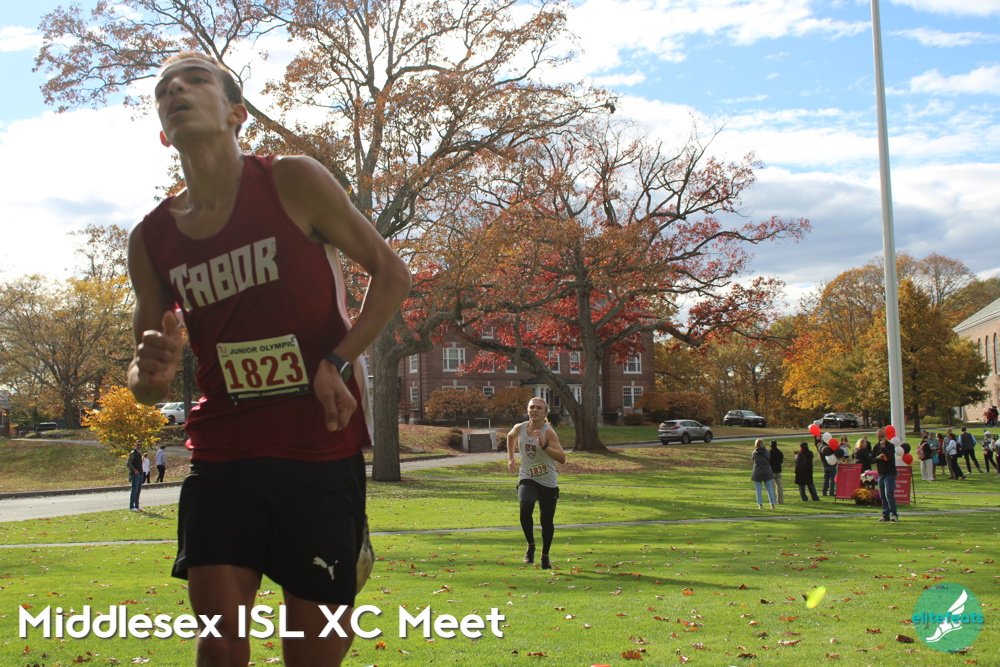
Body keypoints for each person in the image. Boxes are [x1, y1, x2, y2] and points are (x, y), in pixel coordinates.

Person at [127, 51, 411, 667]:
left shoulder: (292, 181)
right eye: (164, 89)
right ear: (162, 133)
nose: (176, 90)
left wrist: (337, 360)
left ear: (237, 114)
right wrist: (150, 370)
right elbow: (144, 384)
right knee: (219, 643)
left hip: (318, 447)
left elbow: (392, 274)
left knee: (311, 652)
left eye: (195, 80)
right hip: (221, 454)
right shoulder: (150, 238)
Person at [507, 397, 567, 570]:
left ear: (545, 413)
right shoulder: (520, 428)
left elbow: (562, 458)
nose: (535, 410)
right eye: (532, 407)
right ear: (527, 410)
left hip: (547, 481)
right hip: (527, 476)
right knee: (525, 508)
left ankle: (545, 555)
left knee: (546, 521)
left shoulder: (549, 432)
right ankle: (531, 545)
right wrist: (511, 458)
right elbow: (510, 437)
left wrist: (544, 445)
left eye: (539, 408)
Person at [872, 431, 898, 522]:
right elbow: (871, 459)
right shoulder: (876, 447)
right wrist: (877, 458)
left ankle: (894, 514)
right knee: (882, 495)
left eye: (882, 436)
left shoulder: (890, 446)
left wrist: (884, 448)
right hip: (881, 473)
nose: (880, 438)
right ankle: (885, 515)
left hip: (890, 473)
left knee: (889, 494)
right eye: (879, 436)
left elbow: (890, 457)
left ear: (885, 436)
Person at [750, 439, 776, 509]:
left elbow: (753, 461)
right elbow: (769, 459)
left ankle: (760, 505)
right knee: (769, 489)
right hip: (766, 471)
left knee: (758, 489)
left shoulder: (754, 453)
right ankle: (772, 504)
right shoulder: (767, 452)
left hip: (757, 472)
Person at [127, 445, 143, 511]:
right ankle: (132, 506)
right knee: (134, 490)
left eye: (140, 445)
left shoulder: (140, 453)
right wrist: (134, 470)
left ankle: (137, 505)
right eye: (138, 445)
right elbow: (128, 463)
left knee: (138, 490)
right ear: (135, 445)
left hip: (140, 473)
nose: (139, 446)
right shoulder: (133, 453)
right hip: (135, 474)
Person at [768, 440, 784, 504]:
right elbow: (781, 461)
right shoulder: (779, 452)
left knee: (772, 487)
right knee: (779, 487)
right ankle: (780, 501)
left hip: (771, 471)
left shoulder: (769, 453)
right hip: (778, 470)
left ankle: (773, 501)